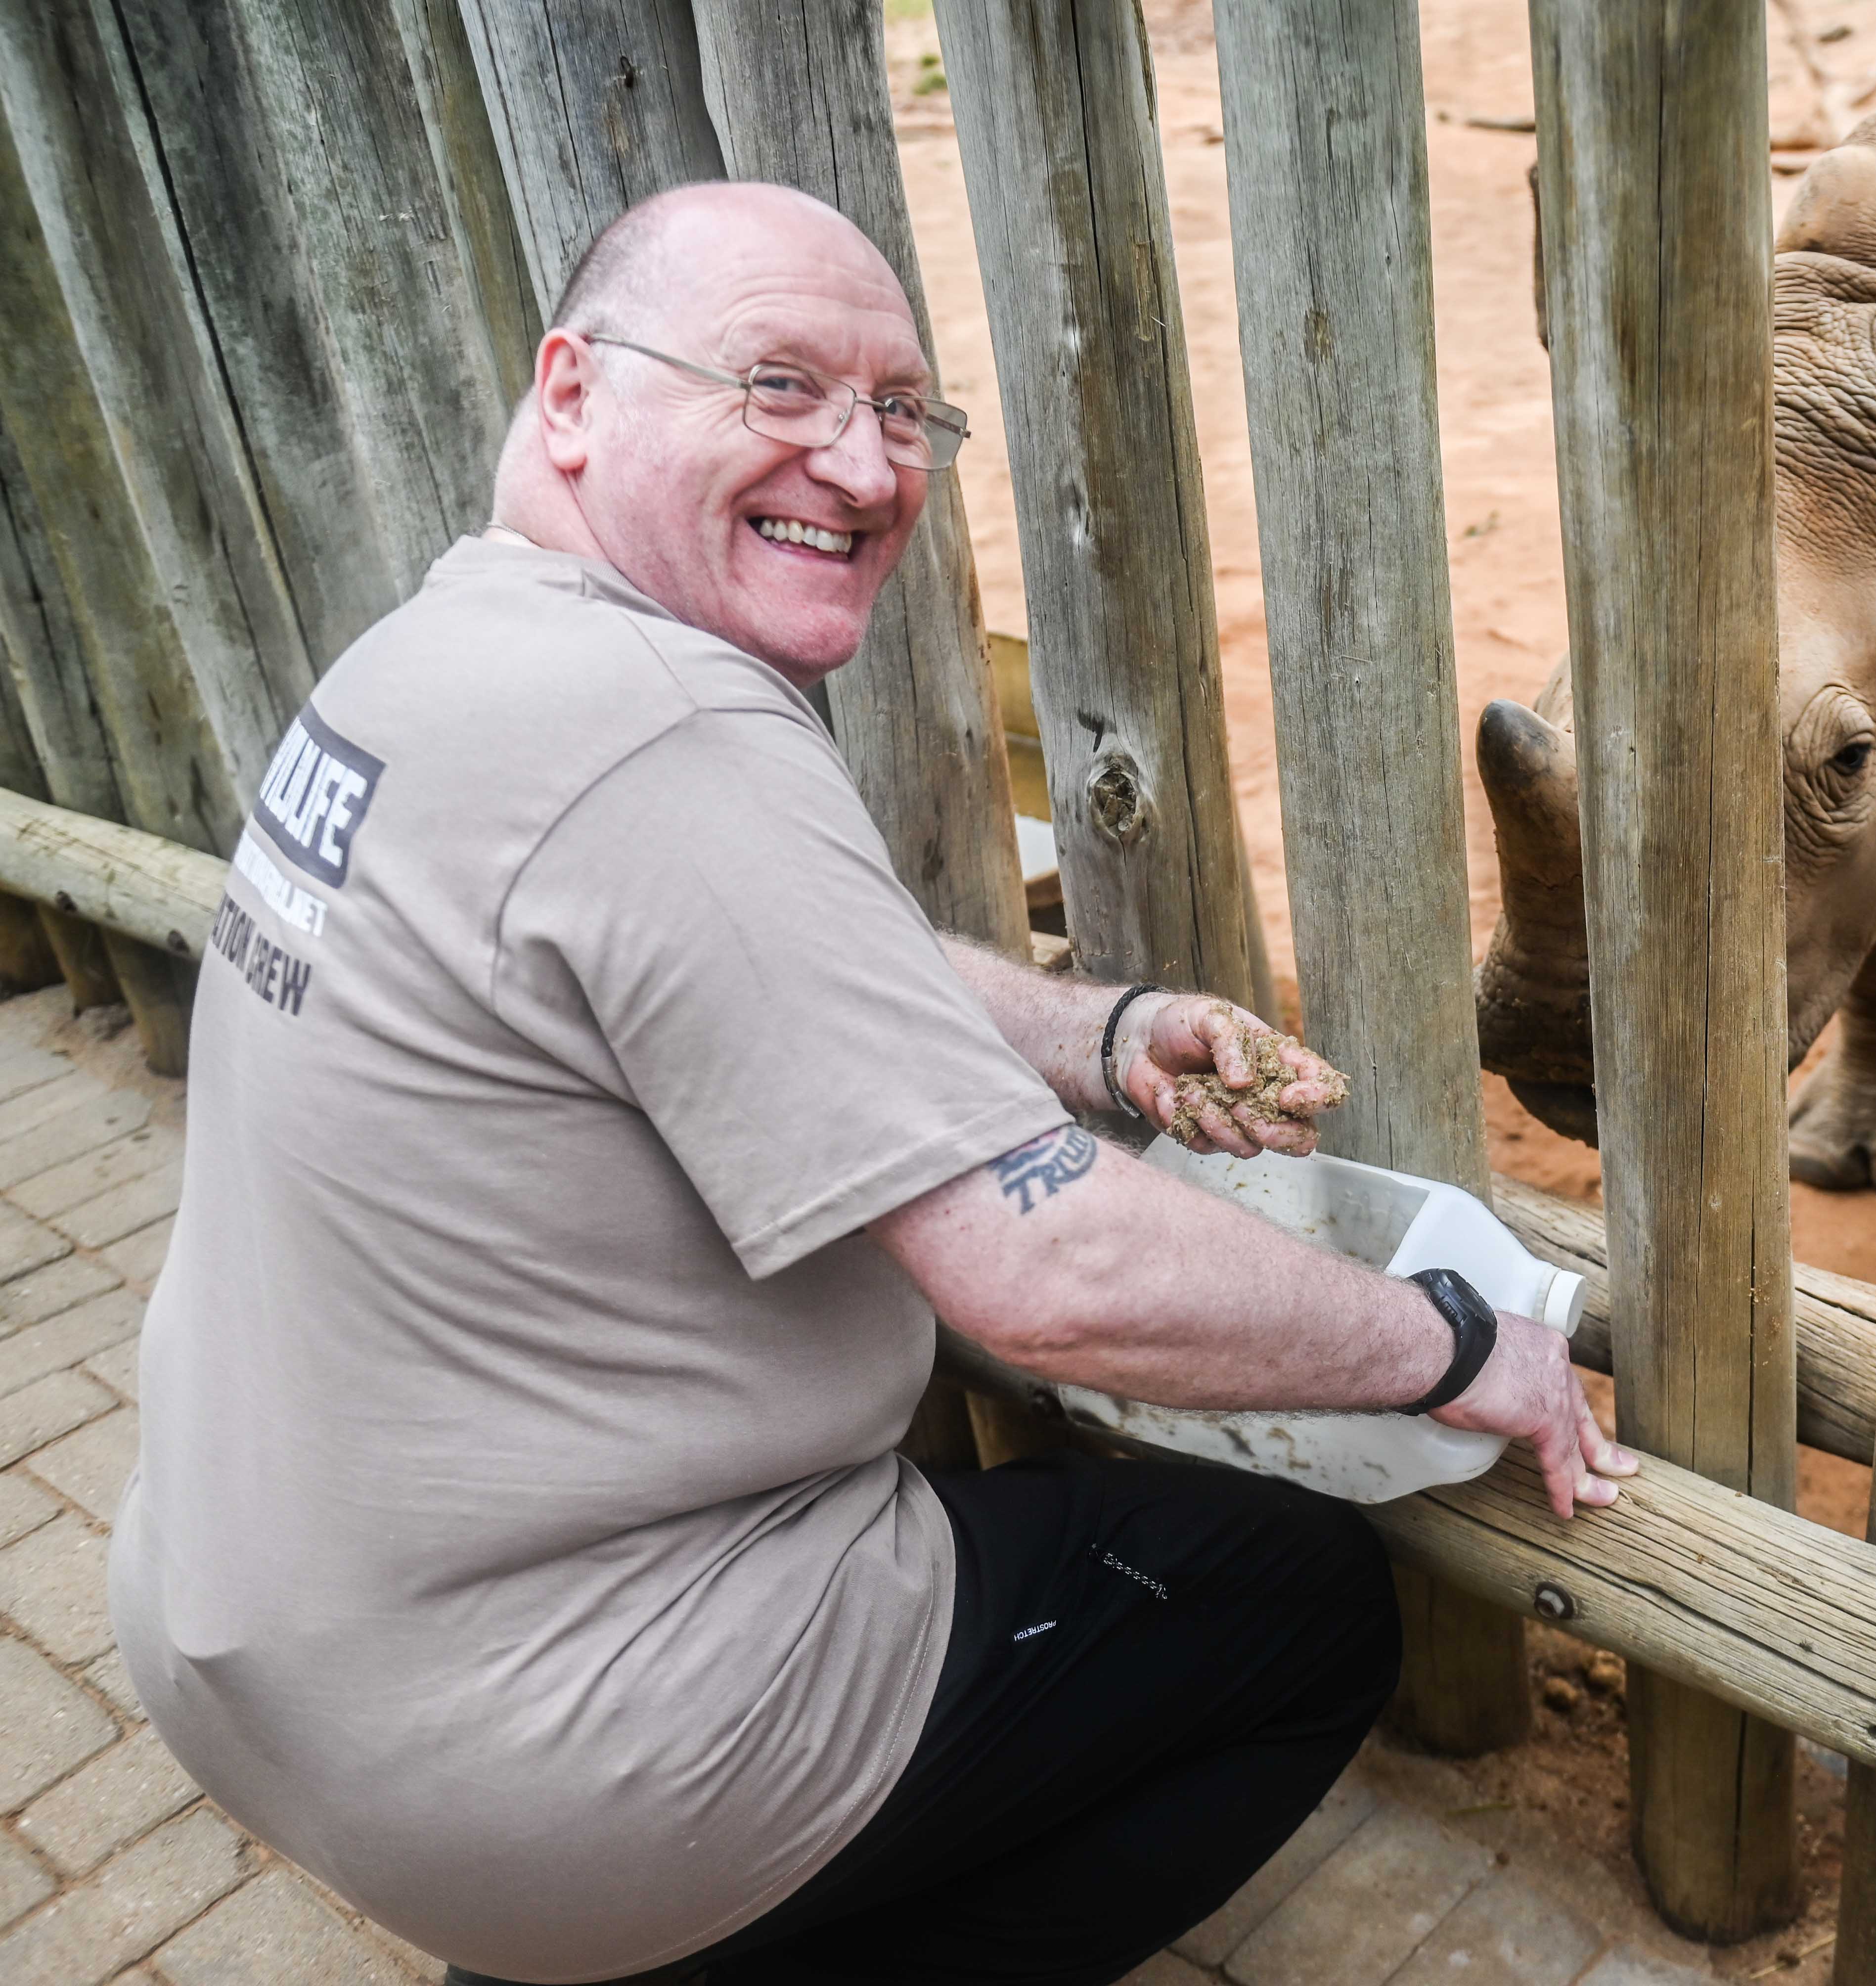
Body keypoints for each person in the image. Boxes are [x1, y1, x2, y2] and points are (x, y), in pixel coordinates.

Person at [107, 181, 1631, 1986]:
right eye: (777, 385)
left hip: (249, 1642)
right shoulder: (670, 736)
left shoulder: (439, 657)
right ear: (575, 392)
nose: (863, 461)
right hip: (542, 1746)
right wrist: (1459, 1345)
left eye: (905, 409)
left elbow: (764, 976)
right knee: (1292, 1616)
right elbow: (1046, 1273)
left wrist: (1096, 1033)